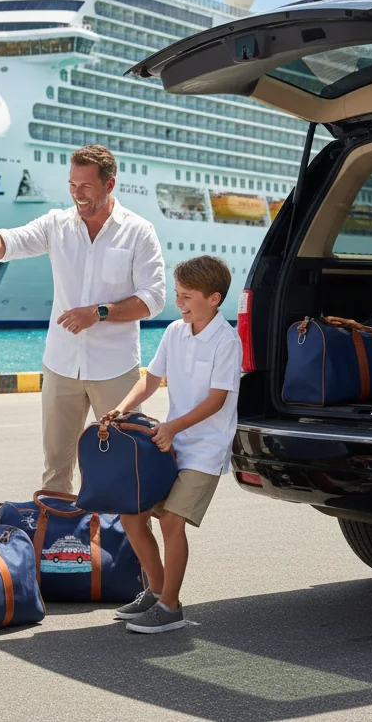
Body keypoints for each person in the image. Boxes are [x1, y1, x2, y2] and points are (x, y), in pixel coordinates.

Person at [0, 144, 165, 494]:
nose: (77, 194)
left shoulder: (138, 231)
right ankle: (60, 546)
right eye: (72, 185)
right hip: (61, 365)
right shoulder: (57, 224)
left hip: (115, 369)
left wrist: (99, 313)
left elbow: (154, 299)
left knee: (124, 468)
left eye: (86, 186)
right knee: (55, 471)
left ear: (109, 185)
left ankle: (124, 549)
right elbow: (8, 242)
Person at [107, 255, 242, 634]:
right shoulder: (173, 332)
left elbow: (216, 400)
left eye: (187, 296)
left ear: (214, 299)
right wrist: (120, 408)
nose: (179, 303)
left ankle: (170, 606)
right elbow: (150, 380)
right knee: (131, 515)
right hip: (170, 442)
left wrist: (173, 426)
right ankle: (154, 590)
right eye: (177, 294)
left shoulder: (227, 342)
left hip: (205, 448)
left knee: (171, 521)